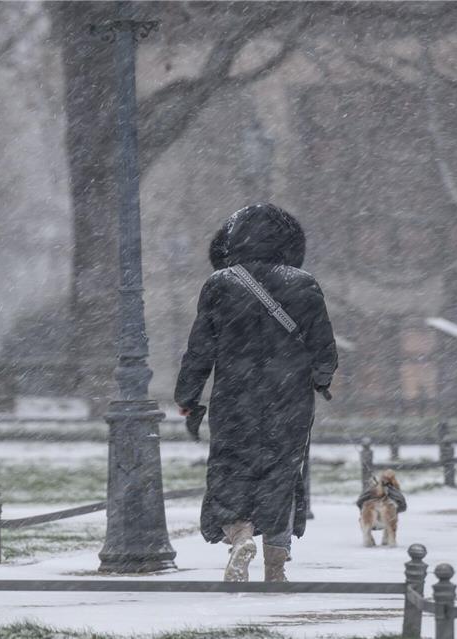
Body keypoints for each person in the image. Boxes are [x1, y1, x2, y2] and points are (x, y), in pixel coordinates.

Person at [175, 203, 338, 582]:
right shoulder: (304, 283)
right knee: (282, 473)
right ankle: (276, 564)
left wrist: (188, 394)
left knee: (230, 469)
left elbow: (200, 347)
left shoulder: (221, 284)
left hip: (235, 395)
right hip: (290, 397)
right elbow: (324, 346)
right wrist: (321, 378)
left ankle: (240, 537)